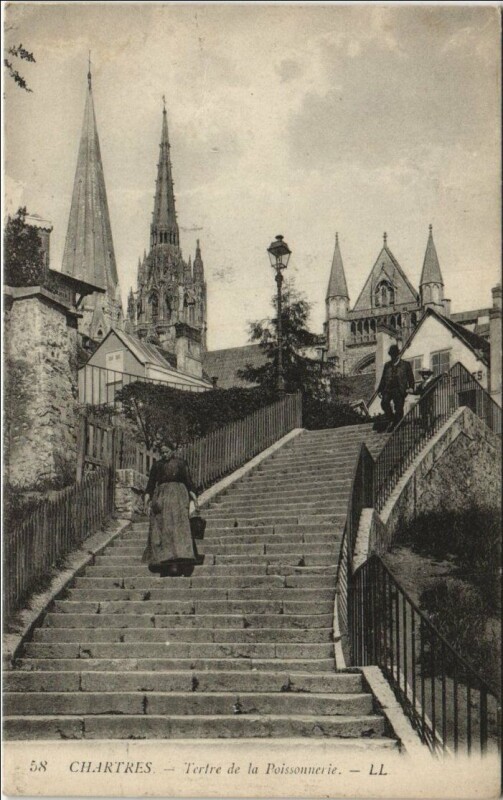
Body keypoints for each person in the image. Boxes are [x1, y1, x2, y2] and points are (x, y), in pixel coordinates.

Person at [142, 442, 200, 577]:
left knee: (177, 529)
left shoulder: (180, 463)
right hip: (161, 500)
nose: (164, 454)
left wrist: (195, 499)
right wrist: (146, 502)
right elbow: (150, 486)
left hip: (178, 499)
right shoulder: (157, 465)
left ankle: (178, 562)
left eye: (167, 451)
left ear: (173, 451)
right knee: (162, 530)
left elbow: (189, 482)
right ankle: (164, 562)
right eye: (162, 452)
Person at [377, 344, 415, 431]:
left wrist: (411, 387)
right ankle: (392, 419)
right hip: (388, 389)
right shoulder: (387, 365)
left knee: (398, 407)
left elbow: (411, 377)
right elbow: (383, 378)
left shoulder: (405, 365)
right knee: (384, 403)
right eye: (391, 355)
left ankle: (398, 425)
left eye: (394, 355)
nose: (393, 357)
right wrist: (380, 390)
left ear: (398, 355)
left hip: (400, 389)